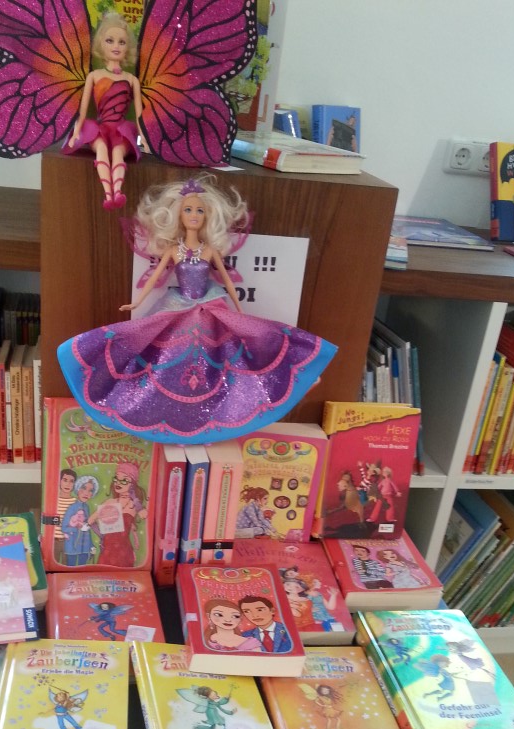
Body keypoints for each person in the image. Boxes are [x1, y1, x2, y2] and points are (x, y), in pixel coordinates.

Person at [57, 175, 336, 443]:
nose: (193, 215)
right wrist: (137, 303)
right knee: (163, 355)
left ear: (207, 216)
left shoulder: (209, 250)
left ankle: (235, 400)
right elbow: (154, 279)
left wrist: (239, 311)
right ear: (178, 215)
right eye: (188, 210)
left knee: (222, 354)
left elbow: (226, 281)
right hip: (179, 306)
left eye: (199, 210)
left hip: (209, 305)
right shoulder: (173, 251)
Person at [63, 12, 143, 209]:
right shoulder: (94, 75)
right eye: (110, 40)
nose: (116, 46)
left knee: (117, 152)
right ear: (101, 44)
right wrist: (75, 133)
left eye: (122, 42)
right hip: (100, 128)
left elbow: (139, 115)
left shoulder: (132, 80)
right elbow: (82, 110)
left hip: (121, 129)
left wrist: (144, 139)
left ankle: (118, 193)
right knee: (100, 148)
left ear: (128, 47)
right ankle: (108, 195)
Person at [87, 462, 148, 568]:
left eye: (124, 480)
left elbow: (143, 515)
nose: (118, 483)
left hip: (125, 552)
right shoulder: (110, 502)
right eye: (116, 478)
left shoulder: (133, 504)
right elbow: (90, 520)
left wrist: (135, 499)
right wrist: (102, 535)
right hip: (107, 551)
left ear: (133, 484)